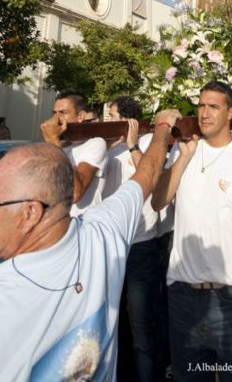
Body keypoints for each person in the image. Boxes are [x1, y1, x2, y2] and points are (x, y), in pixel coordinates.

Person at [0, 109, 181, 382]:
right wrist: (164, 125)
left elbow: (145, 174)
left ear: (30, 213)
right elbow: (148, 173)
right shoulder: (101, 236)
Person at [152, 80, 232, 381]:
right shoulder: (184, 152)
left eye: (213, 106)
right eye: (201, 105)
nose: (204, 113)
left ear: (230, 113)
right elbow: (158, 201)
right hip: (183, 298)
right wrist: (182, 157)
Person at [104, 95, 164, 382]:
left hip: (141, 246)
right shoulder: (105, 148)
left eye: (111, 115)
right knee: (116, 325)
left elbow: (152, 179)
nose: (106, 120)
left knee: (143, 326)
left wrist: (132, 145)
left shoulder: (150, 143)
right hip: (111, 246)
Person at [40, 90, 107, 215]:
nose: (56, 118)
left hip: (82, 226)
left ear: (81, 116)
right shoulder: (54, 145)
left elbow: (75, 194)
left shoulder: (95, 144)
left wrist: (54, 142)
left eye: (63, 113)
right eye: (54, 113)